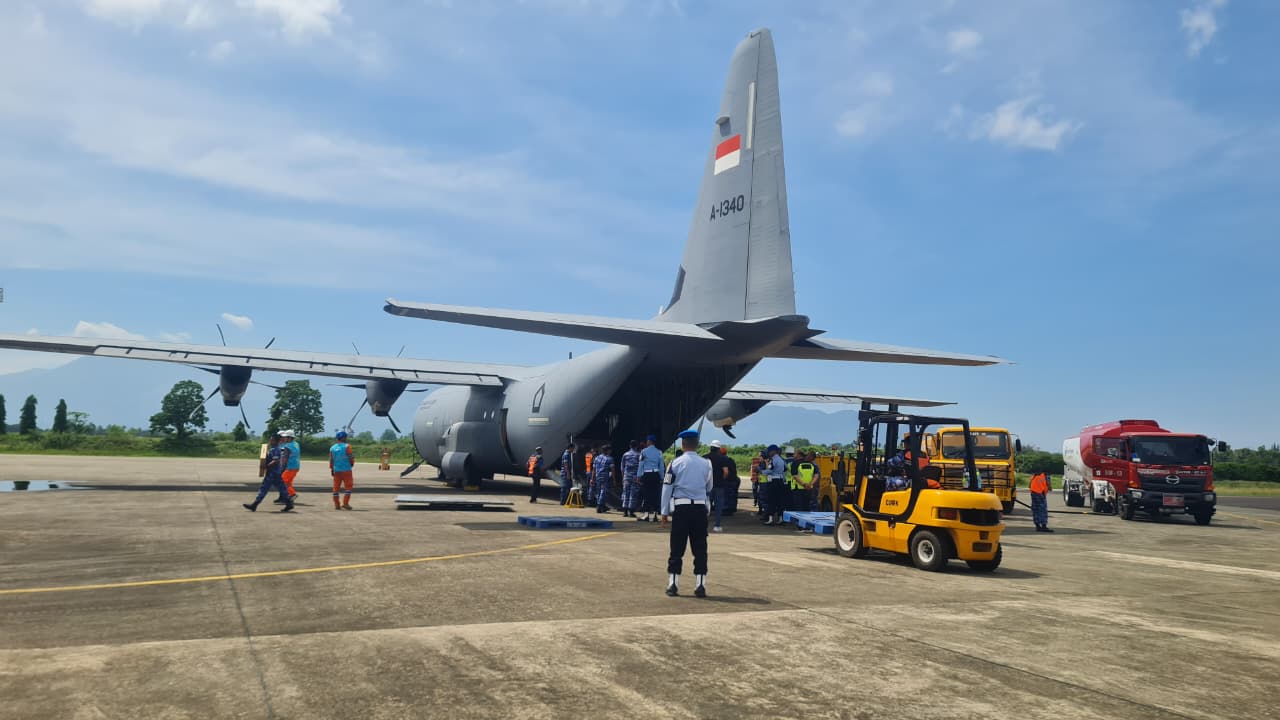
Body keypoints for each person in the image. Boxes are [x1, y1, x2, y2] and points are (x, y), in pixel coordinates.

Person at [661, 429, 714, 597]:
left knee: (677, 547)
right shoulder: (706, 464)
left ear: (683, 444)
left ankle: (673, 584)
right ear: (697, 444)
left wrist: (664, 512)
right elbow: (709, 487)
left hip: (681, 509)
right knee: (700, 547)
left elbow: (666, 488)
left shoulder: (674, 463)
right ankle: (700, 585)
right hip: (699, 509)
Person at [244, 434, 294, 512]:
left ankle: (255, 505)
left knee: (264, 488)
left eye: (272, 440)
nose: (270, 441)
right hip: (276, 473)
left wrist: (266, 466)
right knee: (282, 488)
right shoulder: (276, 449)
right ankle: (289, 503)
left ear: (276, 441)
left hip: (272, 473)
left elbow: (275, 460)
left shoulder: (275, 449)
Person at [638, 435, 665, 522]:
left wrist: (639, 475)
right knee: (656, 494)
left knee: (646, 494)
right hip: (656, 474)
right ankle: (655, 515)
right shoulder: (659, 452)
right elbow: (661, 466)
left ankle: (646, 515)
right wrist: (662, 476)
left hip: (647, 474)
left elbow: (641, 464)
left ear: (649, 441)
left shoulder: (643, 451)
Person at [706, 439, 731, 532]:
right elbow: (726, 471)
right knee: (718, 506)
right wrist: (722, 479)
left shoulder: (704, 457)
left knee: (705, 505)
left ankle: (703, 524)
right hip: (719, 485)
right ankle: (717, 525)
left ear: (711, 447)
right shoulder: (723, 458)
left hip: (707, 485)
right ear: (719, 449)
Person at [329, 430, 355, 510]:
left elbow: (331, 460)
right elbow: (351, 456)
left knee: (336, 487)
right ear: (344, 438)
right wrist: (352, 463)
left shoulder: (332, 448)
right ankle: (345, 503)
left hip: (337, 470)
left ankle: (337, 504)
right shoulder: (347, 446)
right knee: (348, 487)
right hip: (347, 470)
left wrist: (332, 469)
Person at [763, 444, 788, 525]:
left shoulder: (773, 460)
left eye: (769, 451)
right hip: (781, 481)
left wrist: (761, 471)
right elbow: (785, 470)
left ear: (773, 451)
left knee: (771, 500)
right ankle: (780, 518)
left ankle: (770, 519)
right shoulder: (782, 460)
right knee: (780, 500)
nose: (769, 453)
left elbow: (770, 470)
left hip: (774, 481)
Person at [620, 440, 642, 518]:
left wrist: (623, 477)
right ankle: (631, 511)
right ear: (636, 446)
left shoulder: (625, 454)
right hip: (635, 477)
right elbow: (641, 467)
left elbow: (622, 467)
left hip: (627, 477)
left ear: (630, 446)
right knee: (633, 494)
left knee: (626, 493)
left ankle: (625, 512)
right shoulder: (639, 455)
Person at [278, 429, 301, 502]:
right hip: (296, 466)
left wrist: (282, 468)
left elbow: (285, 458)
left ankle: (292, 494)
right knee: (288, 482)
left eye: (286, 437)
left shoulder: (287, 446)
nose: (284, 438)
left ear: (290, 438)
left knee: (283, 481)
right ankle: (289, 496)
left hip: (289, 467)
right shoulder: (296, 444)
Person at [592, 444, 614, 513]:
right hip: (605, 476)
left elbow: (594, 469)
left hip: (598, 476)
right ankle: (599, 505)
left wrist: (592, 478)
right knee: (603, 491)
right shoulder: (609, 458)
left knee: (599, 491)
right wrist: (614, 479)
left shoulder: (597, 458)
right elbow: (613, 470)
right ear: (608, 450)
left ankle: (602, 506)